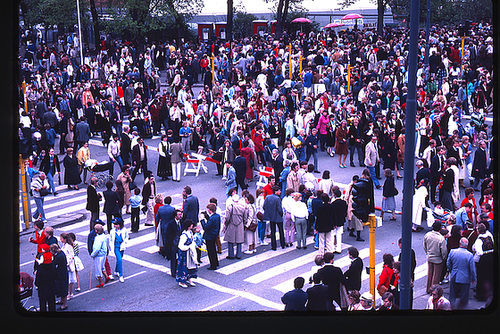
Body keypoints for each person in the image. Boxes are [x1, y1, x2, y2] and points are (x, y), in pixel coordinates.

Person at [446, 237, 476, 309]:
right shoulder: (470, 255)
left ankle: (451, 307)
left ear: (459, 244)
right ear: (467, 245)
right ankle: (462, 308)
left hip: (454, 275)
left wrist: (450, 270)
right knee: (464, 295)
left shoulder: (452, 252)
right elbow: (472, 269)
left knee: (452, 293)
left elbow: (448, 263)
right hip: (465, 277)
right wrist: (473, 278)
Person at [423, 222, 448, 294]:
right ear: (440, 228)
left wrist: (427, 252)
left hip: (430, 256)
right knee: (436, 276)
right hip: (438, 258)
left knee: (430, 273)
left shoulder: (427, 235)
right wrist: (443, 257)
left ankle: (428, 289)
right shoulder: (441, 238)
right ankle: (433, 291)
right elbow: (443, 251)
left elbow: (424, 246)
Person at [472, 223, 494, 302]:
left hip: (484, 259)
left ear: (478, 231)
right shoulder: (489, 235)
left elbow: (479, 252)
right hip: (491, 256)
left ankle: (481, 294)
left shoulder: (479, 240)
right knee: (490, 275)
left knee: (481, 276)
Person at [224, 193, 247, 259]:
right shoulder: (242, 207)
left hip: (232, 224)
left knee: (230, 240)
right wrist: (244, 223)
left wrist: (226, 223)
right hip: (240, 224)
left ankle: (231, 254)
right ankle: (238, 254)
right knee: (239, 240)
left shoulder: (230, 207)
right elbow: (245, 217)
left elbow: (227, 217)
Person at [176, 219, 198, 288]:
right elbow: (180, 246)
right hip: (184, 254)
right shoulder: (184, 235)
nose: (192, 225)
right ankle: (181, 281)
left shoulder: (190, 232)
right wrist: (188, 247)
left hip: (189, 253)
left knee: (190, 266)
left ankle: (189, 278)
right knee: (183, 267)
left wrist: (194, 245)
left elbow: (192, 241)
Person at [34, 244, 56, 312]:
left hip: (43, 289)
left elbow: (37, 283)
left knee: (42, 304)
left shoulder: (40, 270)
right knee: (52, 303)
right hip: (51, 288)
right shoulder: (53, 267)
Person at [263, 185, 285, 250]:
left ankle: (273, 246)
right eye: (279, 191)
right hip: (278, 217)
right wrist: (281, 214)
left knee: (273, 232)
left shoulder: (267, 197)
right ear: (276, 192)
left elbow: (264, 206)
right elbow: (279, 209)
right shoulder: (277, 199)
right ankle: (282, 244)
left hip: (271, 216)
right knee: (281, 231)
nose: (280, 192)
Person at [109, 218, 129, 283]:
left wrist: (124, 243)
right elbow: (111, 240)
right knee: (120, 260)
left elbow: (126, 237)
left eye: (116, 224)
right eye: (114, 224)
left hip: (121, 246)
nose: (115, 225)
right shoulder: (112, 231)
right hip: (116, 247)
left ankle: (116, 271)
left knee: (119, 259)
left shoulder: (124, 230)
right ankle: (121, 275)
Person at [202, 203, 221, 270]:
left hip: (209, 236)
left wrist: (202, 220)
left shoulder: (212, 218)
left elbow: (206, 227)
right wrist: (207, 216)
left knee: (210, 251)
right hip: (214, 235)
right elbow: (211, 221)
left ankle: (213, 265)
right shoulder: (217, 216)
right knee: (213, 249)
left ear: (210, 210)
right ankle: (216, 262)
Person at [50, 243, 68, 310]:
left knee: (63, 287)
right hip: (61, 272)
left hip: (62, 273)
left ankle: (65, 304)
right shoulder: (60, 253)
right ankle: (61, 300)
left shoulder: (59, 256)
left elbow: (53, 264)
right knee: (60, 287)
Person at [90, 224, 108, 288]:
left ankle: (100, 282)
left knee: (98, 269)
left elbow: (97, 248)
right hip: (103, 254)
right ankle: (106, 276)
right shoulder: (103, 236)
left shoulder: (98, 238)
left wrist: (93, 254)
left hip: (99, 255)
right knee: (102, 267)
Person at [59, 233, 76, 301]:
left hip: (69, 265)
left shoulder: (69, 246)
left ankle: (70, 293)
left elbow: (72, 256)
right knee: (67, 280)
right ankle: (68, 293)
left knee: (70, 280)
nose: (60, 240)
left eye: (61, 238)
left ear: (65, 239)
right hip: (65, 264)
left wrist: (67, 261)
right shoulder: (64, 246)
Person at [331, 186, 347, 253]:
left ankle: (332, 248)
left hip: (334, 221)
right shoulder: (344, 202)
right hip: (341, 220)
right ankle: (339, 248)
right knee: (339, 234)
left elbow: (332, 214)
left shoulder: (333, 204)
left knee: (332, 234)